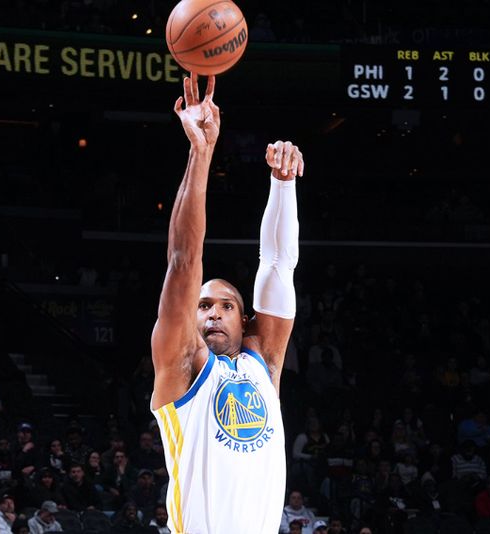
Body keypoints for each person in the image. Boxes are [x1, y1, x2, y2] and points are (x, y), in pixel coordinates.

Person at [150, 74, 303, 534]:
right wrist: (201, 152)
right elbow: (183, 259)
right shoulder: (181, 367)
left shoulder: (264, 363)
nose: (213, 312)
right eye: (202, 305)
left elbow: (277, 264)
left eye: (226, 306)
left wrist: (283, 183)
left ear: (245, 320)